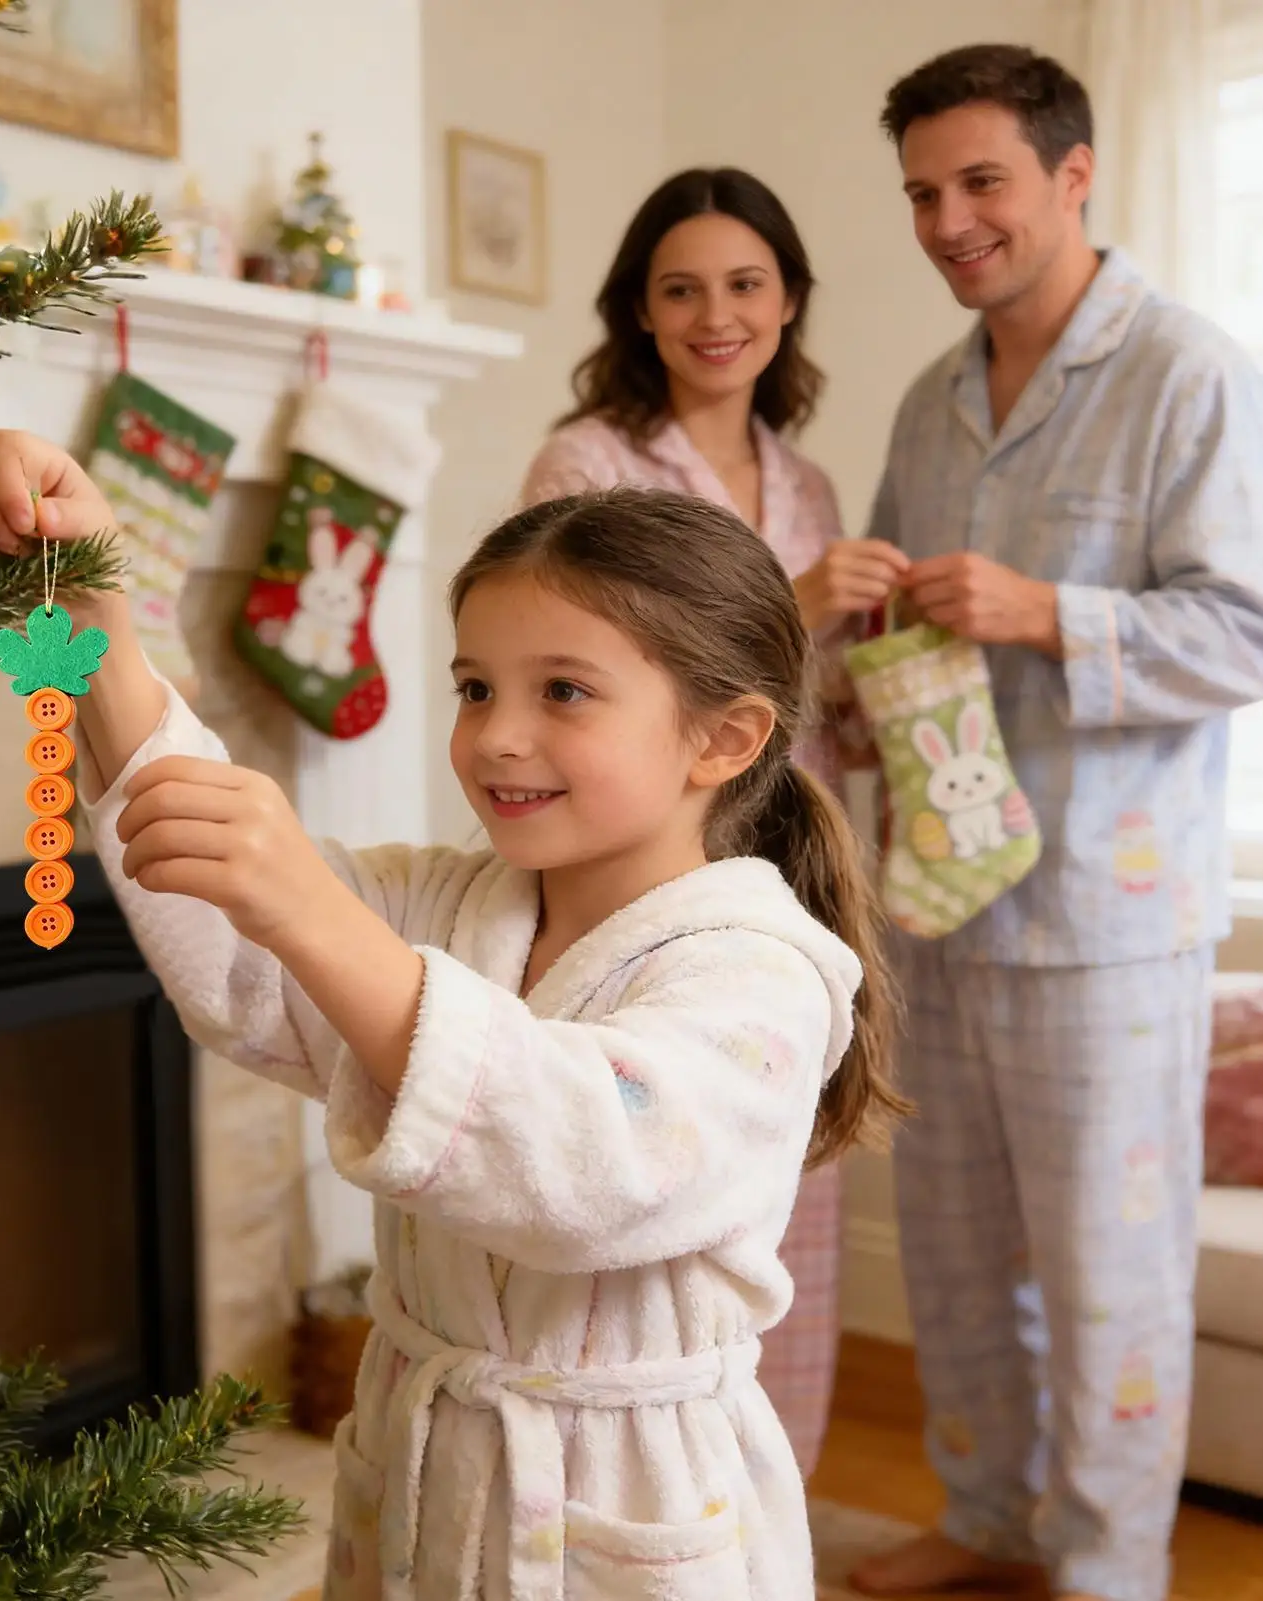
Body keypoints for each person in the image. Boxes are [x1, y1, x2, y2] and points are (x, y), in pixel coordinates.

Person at [0, 432, 905, 1601]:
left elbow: (594, 1158)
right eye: (475, 685)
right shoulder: (444, 902)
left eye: (564, 691)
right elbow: (244, 944)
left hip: (627, 1511)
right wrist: (97, 617)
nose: (496, 734)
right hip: (422, 1464)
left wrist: (311, 908)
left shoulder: (763, 975)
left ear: (724, 737)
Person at [846, 44, 1263, 1601]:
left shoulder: (1189, 373)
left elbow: (1248, 633)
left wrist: (1043, 614)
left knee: (1106, 1281)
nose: (949, 221)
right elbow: (895, 644)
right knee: (954, 1257)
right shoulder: (930, 400)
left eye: (980, 184)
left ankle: (1105, 1567)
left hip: (1105, 914)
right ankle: (988, 1521)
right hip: (939, 897)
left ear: (1072, 175)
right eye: (921, 194)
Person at [521, 166, 910, 1478]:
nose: (714, 314)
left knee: (786, 1193)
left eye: (744, 284)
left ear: (789, 300)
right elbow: (580, 662)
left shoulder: (805, 478)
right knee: (649, 1181)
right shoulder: (587, 461)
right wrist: (798, 599)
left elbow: (820, 704)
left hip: (787, 870)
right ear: (639, 308)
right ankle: (628, 1501)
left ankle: (761, 1514)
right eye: (679, 288)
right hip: (640, 878)